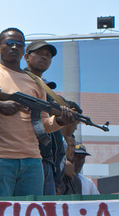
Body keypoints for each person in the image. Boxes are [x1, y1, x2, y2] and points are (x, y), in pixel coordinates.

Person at [0, 29, 74, 197]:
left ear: (23, 50)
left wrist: (60, 120)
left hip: (32, 160)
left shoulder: (36, 82)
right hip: (0, 157)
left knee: (30, 212)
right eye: (9, 43)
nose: (14, 47)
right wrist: (0, 105)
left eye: (19, 44)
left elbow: (44, 125)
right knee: (0, 211)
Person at [22, 40, 78, 194]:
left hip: (46, 160)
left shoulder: (47, 91)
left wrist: (57, 177)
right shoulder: (18, 82)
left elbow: (54, 137)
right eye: (39, 53)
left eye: (48, 55)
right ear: (26, 56)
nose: (44, 57)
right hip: (26, 157)